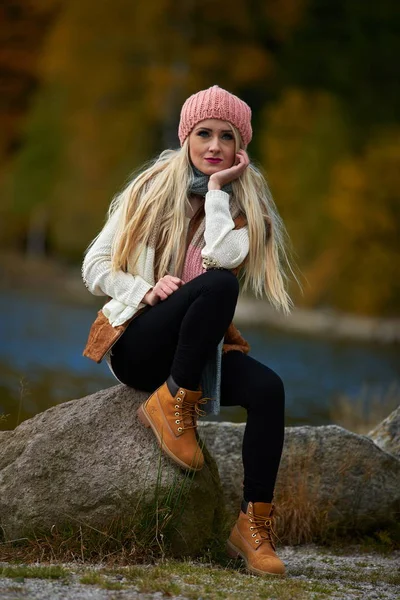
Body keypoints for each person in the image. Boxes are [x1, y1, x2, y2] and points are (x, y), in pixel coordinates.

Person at [82, 85, 296, 577]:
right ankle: (168, 402)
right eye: (204, 134)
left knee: (270, 389)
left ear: (241, 148)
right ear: (187, 137)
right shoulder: (148, 189)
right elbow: (93, 266)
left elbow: (220, 260)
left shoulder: (246, 212)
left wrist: (219, 192)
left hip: (198, 351)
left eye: (227, 136)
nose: (214, 146)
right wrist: (144, 290)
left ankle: (253, 525)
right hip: (141, 343)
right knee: (216, 287)